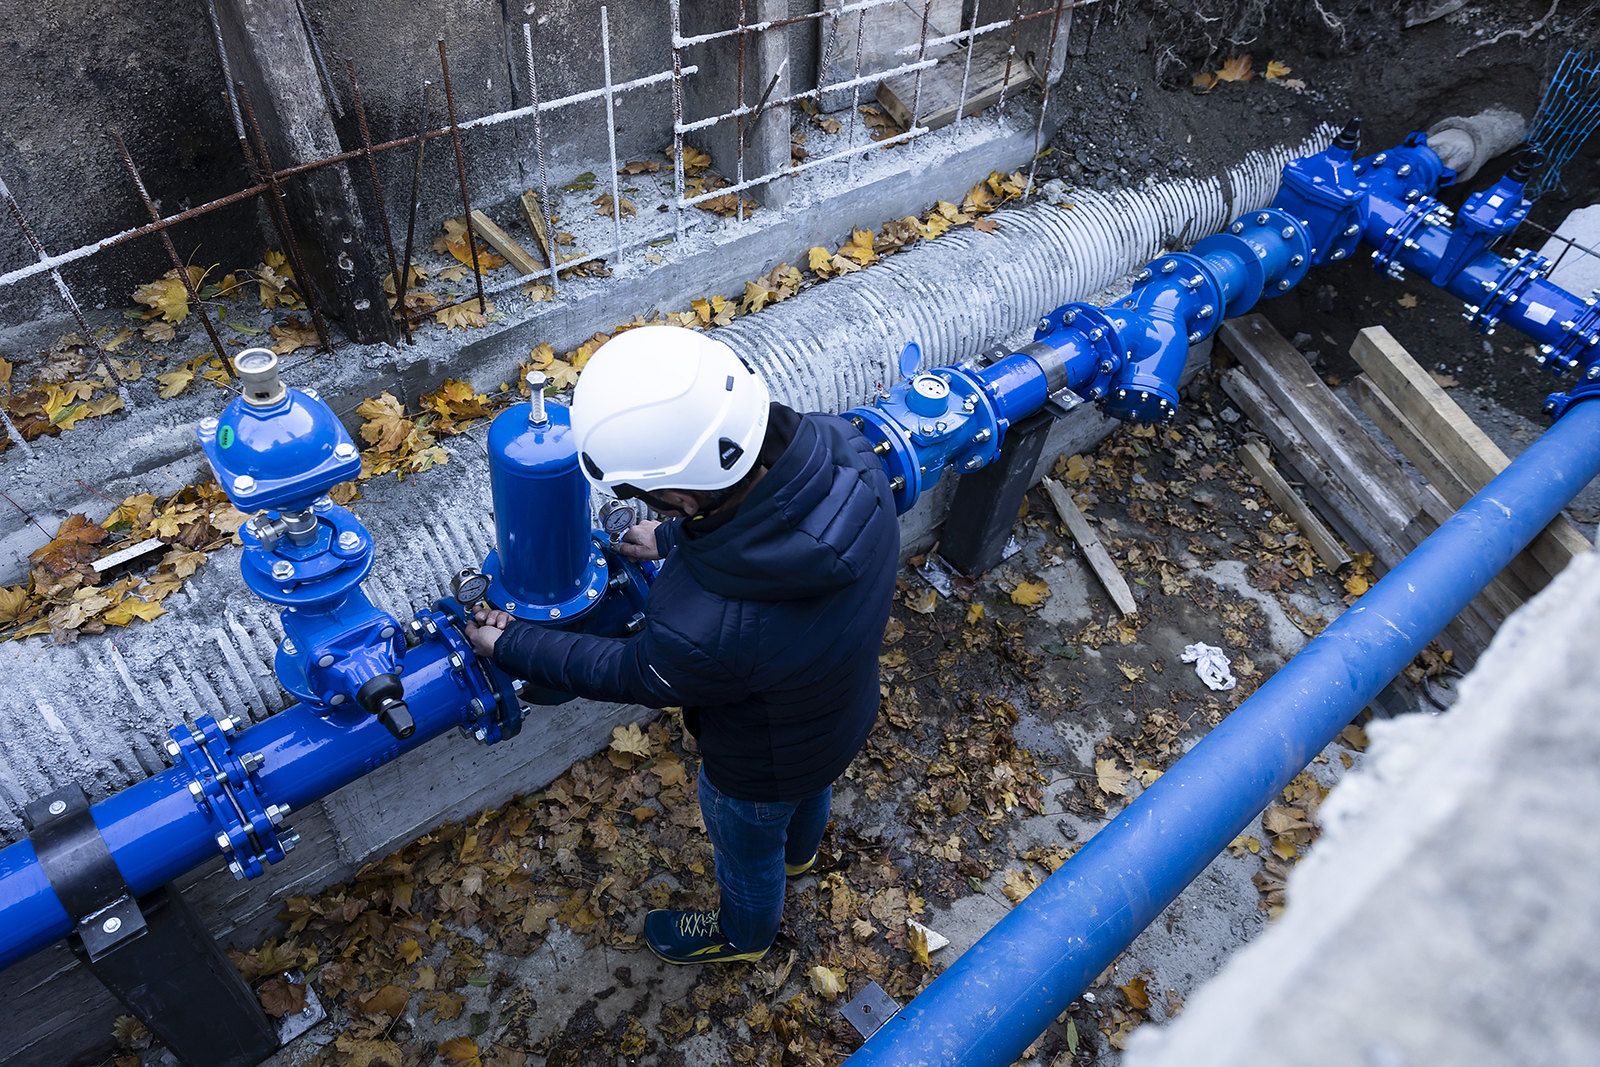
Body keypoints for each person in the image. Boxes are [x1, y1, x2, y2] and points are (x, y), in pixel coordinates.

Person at [465, 324, 900, 965]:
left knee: (747, 852)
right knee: (810, 789)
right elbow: (760, 520)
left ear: (679, 496)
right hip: (843, 711)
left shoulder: (703, 625)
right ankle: (800, 857)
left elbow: (627, 671)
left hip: (757, 769)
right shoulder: (846, 451)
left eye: (650, 501)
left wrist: (514, 643)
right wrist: (669, 539)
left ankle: (743, 937)